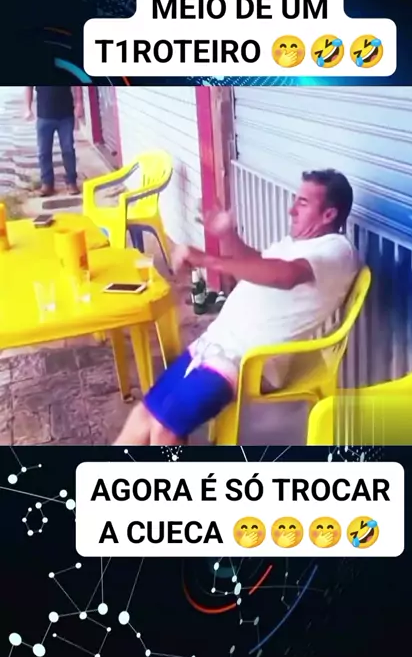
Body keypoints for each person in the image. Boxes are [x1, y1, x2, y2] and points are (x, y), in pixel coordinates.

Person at [114, 169, 359, 447]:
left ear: (329, 215)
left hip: (246, 360)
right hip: (215, 343)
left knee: (165, 429)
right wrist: (227, 235)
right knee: (143, 415)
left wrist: (208, 260)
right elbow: (258, 264)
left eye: (302, 203)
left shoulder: (337, 251)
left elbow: (285, 275)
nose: (291, 210)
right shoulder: (296, 244)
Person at [25, 86, 84, 196]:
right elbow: (28, 87)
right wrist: (27, 108)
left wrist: (79, 103)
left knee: (68, 150)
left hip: (66, 115)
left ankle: (71, 182)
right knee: (44, 152)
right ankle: (47, 184)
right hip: (44, 116)